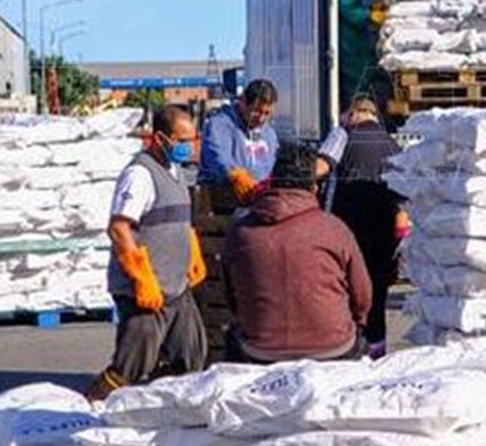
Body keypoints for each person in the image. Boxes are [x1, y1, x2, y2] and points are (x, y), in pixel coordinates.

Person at [87, 106, 208, 398]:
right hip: (146, 292)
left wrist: (191, 250)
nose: (188, 147)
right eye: (181, 141)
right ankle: (92, 407)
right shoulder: (139, 175)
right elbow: (119, 228)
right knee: (130, 365)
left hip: (176, 287)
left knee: (190, 357)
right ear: (160, 139)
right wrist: (142, 278)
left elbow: (177, 218)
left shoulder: (176, 172)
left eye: (191, 140)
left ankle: (159, 410)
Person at [222, 140, 372, 363]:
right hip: (334, 349)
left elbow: (232, 297)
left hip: (258, 350)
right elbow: (362, 297)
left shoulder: (240, 232)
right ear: (314, 188)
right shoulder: (334, 229)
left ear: (271, 182)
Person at [319, 95, 402, 354]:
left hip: (346, 231)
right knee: (376, 299)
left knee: (345, 295)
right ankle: (377, 353)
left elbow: (320, 167)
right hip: (383, 235)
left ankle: (349, 353)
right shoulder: (392, 145)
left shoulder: (343, 135)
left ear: (353, 114)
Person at [199, 78, 280, 203]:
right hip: (223, 205)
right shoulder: (219, 125)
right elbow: (217, 157)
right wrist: (236, 176)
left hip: (259, 203)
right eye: (256, 111)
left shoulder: (269, 133)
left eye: (267, 113)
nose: (261, 119)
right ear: (243, 101)